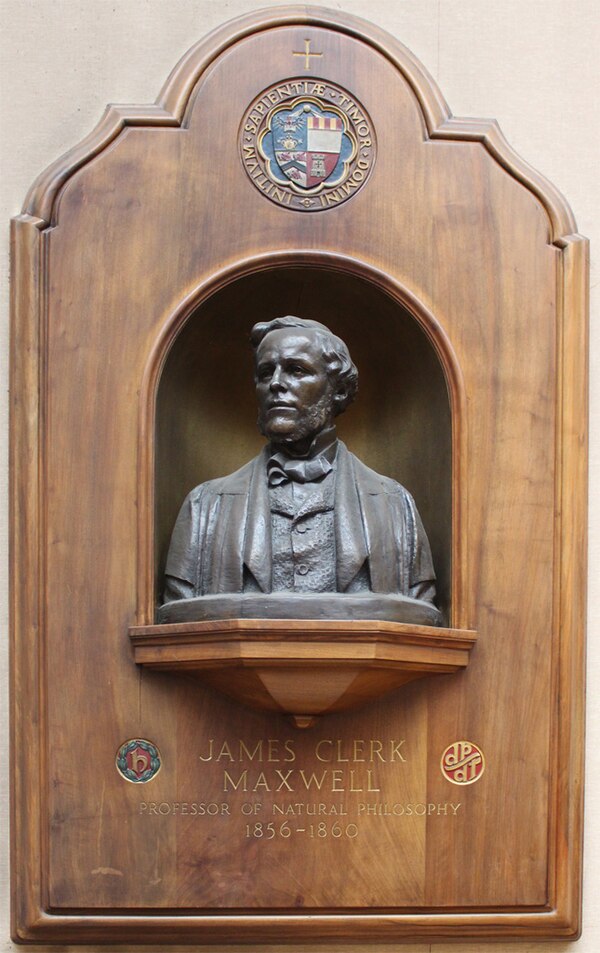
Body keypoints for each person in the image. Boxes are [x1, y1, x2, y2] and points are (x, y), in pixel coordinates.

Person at [162, 316, 437, 606]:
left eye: (296, 370)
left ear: (339, 390)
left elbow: (416, 617)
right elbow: (182, 620)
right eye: (266, 373)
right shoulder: (205, 506)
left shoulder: (394, 505)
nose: (276, 384)